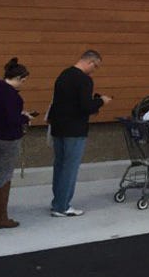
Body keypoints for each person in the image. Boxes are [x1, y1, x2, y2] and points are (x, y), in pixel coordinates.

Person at [47, 50, 110, 217]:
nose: (94, 70)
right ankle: (63, 206)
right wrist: (101, 101)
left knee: (59, 165)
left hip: (58, 127)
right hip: (75, 129)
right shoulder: (84, 80)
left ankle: (57, 201)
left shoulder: (63, 75)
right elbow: (86, 106)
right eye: (95, 66)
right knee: (70, 168)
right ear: (90, 62)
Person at [0, 58, 33, 229]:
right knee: (5, 175)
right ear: (19, 78)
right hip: (8, 139)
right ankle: (0, 217)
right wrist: (25, 118)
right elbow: (13, 119)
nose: (23, 84)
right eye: (24, 80)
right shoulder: (11, 94)